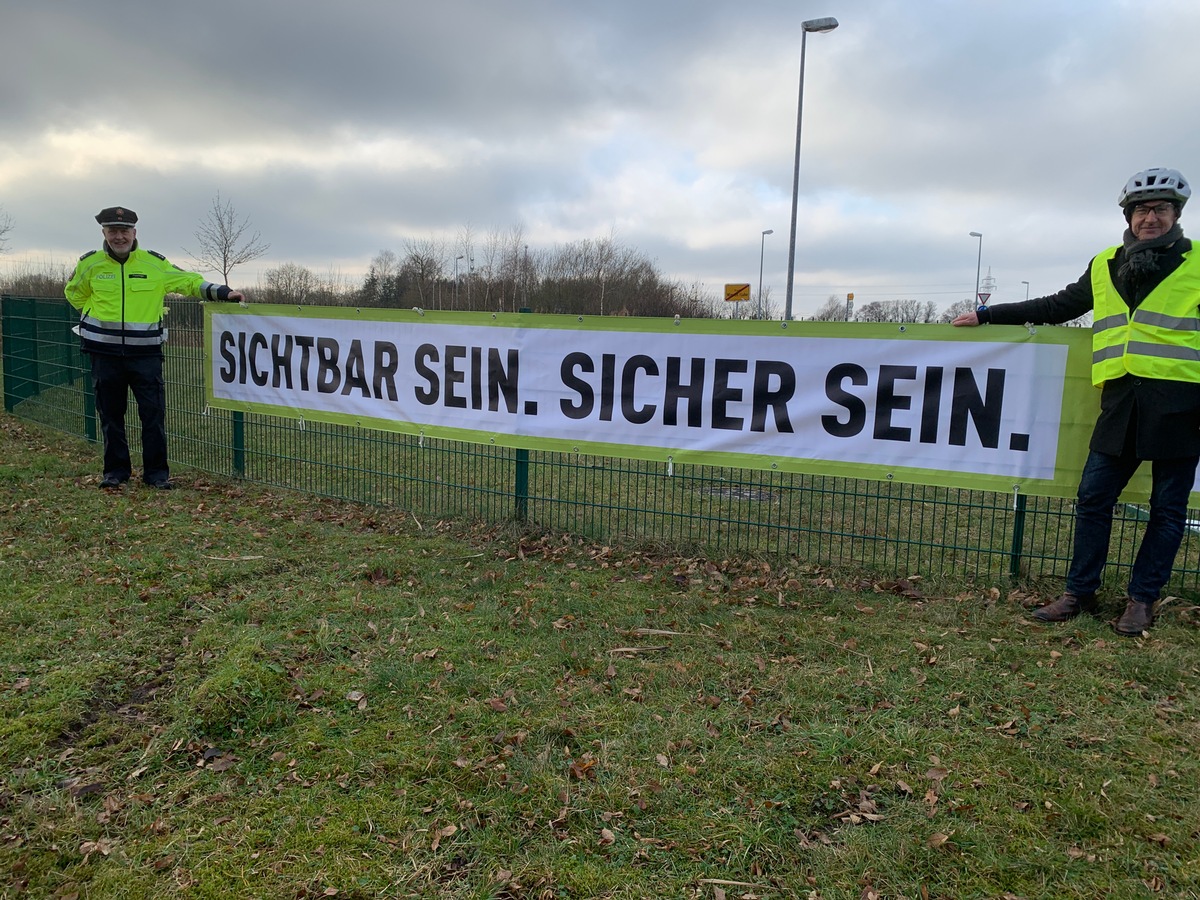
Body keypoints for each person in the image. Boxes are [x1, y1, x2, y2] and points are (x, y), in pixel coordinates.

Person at [953, 167, 1199, 636]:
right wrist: (987, 315)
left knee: (1168, 510)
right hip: (1120, 404)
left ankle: (1142, 600)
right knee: (1092, 499)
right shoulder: (1106, 262)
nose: (1151, 217)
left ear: (1176, 214)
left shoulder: (1197, 262)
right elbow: (1056, 306)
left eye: (1161, 208)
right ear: (1128, 216)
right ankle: (1078, 593)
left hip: (1181, 407)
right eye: (1142, 209)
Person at [65, 206, 245, 490]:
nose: (119, 237)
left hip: (145, 355)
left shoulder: (153, 264)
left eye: (124, 231)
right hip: (104, 355)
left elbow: (188, 282)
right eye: (113, 231)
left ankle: (156, 475)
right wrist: (92, 315)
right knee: (111, 416)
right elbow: (74, 292)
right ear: (104, 233)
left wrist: (223, 292)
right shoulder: (90, 264)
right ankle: (115, 472)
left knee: (153, 416)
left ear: (134, 233)